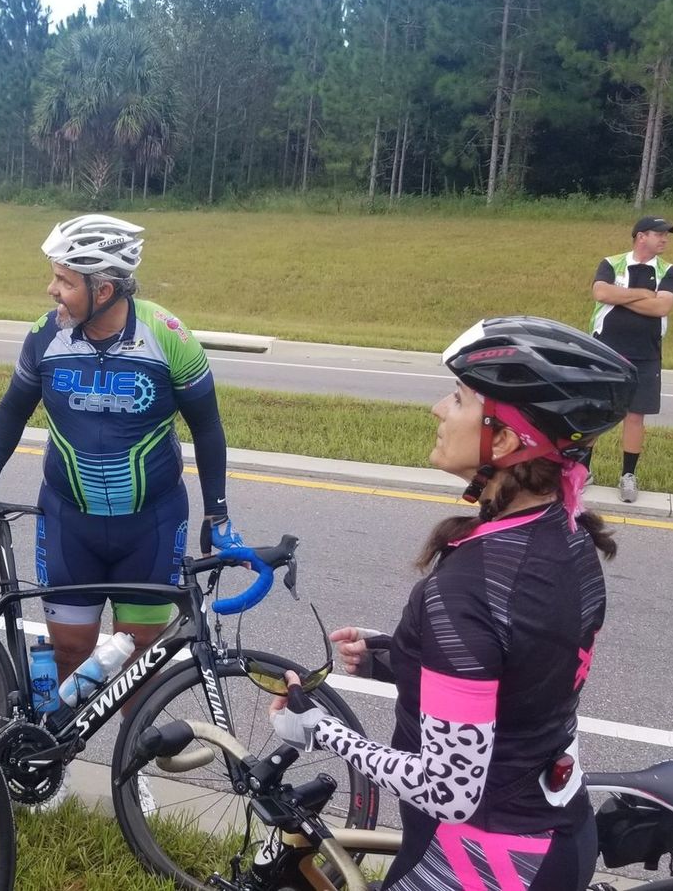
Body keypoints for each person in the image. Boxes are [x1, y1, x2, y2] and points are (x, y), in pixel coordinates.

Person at [271, 316, 637, 891]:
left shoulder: (467, 588)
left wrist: (320, 729)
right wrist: (398, 656)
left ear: (507, 440)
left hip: (484, 859)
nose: (439, 409)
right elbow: (523, 670)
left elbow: (448, 789)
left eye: (461, 398)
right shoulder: (568, 536)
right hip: (555, 829)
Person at [0, 215, 238, 803]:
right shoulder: (45, 335)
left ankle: (132, 776)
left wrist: (218, 512)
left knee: (138, 661)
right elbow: (12, 409)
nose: (51, 290)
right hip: (69, 521)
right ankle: (50, 764)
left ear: (102, 289)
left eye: (63, 280)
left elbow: (208, 427)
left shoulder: (168, 336)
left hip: (151, 523)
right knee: (69, 651)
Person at [589, 215, 673, 502]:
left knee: (635, 415)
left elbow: (661, 307)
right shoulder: (612, 263)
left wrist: (621, 297)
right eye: (659, 234)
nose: (665, 239)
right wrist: (642, 294)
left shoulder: (668, 271)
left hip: (646, 353)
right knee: (596, 410)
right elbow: (601, 292)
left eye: (666, 235)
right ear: (641, 236)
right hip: (606, 348)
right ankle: (582, 470)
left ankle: (628, 475)